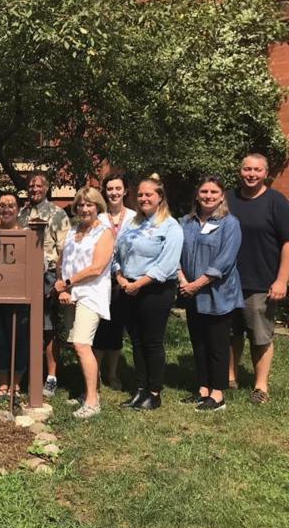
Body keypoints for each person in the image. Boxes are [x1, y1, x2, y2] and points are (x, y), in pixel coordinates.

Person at [114, 176, 183, 410]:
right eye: (140, 194)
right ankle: (140, 389)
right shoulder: (132, 223)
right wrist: (120, 277)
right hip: (128, 287)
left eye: (149, 194)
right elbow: (117, 253)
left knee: (152, 342)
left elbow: (167, 265)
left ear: (160, 197)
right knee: (136, 341)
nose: (143, 198)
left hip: (155, 290)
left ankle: (154, 393)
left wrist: (138, 284)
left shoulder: (171, 226)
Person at [227, 153, 289, 403]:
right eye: (247, 169)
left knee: (260, 335)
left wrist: (282, 280)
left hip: (261, 282)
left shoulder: (276, 201)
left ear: (266, 173)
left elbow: (287, 243)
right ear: (240, 171)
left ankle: (260, 386)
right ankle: (229, 378)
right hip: (228, 281)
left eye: (257, 170)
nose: (251, 174)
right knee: (230, 333)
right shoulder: (228, 198)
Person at [178, 176, 243, 412]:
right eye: (204, 191)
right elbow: (175, 252)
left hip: (218, 293)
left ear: (222, 196)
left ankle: (218, 394)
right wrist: (183, 280)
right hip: (191, 292)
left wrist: (197, 284)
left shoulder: (230, 223)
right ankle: (203, 389)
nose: (208, 196)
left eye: (214, 192)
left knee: (217, 344)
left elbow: (225, 260)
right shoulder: (186, 222)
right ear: (197, 195)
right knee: (199, 342)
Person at [54, 187, 114, 419]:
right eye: (80, 204)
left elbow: (97, 268)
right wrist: (63, 285)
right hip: (71, 294)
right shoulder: (73, 231)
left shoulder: (104, 233)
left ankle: (92, 402)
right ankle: (89, 391)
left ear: (98, 206)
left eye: (89, 204)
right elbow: (62, 261)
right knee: (78, 345)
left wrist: (68, 282)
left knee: (81, 344)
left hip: (91, 294)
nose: (84, 209)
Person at [18, 172, 70, 398]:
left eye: (38, 186)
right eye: (31, 186)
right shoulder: (21, 214)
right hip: (24, 277)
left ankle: (51, 377)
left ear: (47, 188)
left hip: (47, 276)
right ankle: (29, 373)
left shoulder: (57, 214)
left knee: (48, 329)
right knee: (26, 326)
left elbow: (64, 250)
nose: (34, 189)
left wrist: (60, 280)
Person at [93, 174, 136, 390]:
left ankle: (112, 372)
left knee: (117, 327)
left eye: (118, 188)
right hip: (100, 279)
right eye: (110, 189)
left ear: (125, 191)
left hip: (124, 280)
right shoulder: (98, 218)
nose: (114, 193)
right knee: (99, 327)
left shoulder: (135, 217)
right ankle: (96, 373)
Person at [0, 192, 29, 397]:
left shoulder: (27, 234)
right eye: (2, 205)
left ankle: (16, 384)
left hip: (19, 296)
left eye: (11, 205)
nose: (6, 209)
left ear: (18, 209)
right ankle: (2, 384)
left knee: (19, 340)